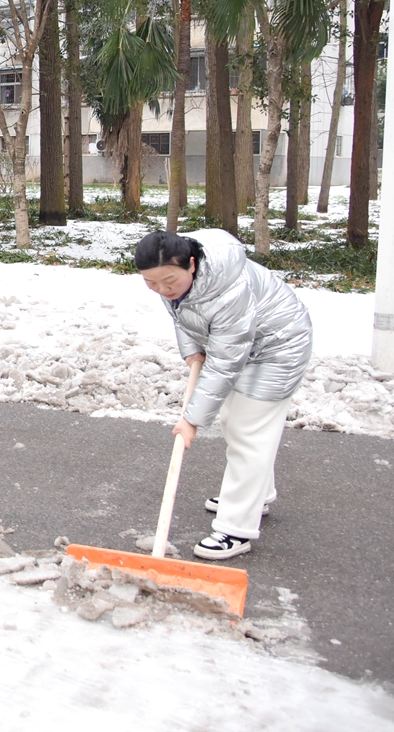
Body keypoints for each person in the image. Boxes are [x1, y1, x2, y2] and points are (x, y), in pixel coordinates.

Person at [135, 229, 312, 562]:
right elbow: (182, 314)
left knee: (249, 433)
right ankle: (255, 495)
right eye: (151, 283)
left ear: (191, 264)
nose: (161, 289)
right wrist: (191, 351)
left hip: (277, 348)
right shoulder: (170, 274)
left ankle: (236, 530)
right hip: (238, 346)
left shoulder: (227, 289)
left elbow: (225, 363)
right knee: (237, 424)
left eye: (168, 281)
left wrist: (191, 420)